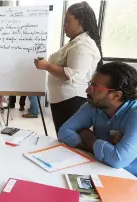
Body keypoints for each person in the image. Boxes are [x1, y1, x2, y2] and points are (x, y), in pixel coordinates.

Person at [58, 62, 137, 176]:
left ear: (116, 95)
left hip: (129, 178)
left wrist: (87, 136)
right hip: (97, 169)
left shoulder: (134, 113)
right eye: (90, 84)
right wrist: (102, 149)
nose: (87, 90)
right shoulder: (94, 106)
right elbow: (64, 132)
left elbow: (117, 160)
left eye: (95, 88)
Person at [34, 2, 102, 133]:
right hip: (63, 100)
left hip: (71, 101)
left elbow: (72, 74)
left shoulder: (83, 45)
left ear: (81, 22)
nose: (64, 26)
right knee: (64, 137)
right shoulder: (75, 42)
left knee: (69, 139)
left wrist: (47, 66)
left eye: (67, 21)